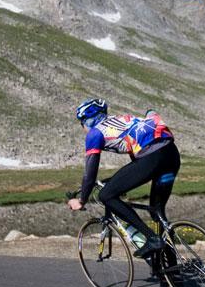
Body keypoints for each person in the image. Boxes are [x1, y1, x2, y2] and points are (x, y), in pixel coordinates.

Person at [67, 98, 180, 261]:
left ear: (88, 120)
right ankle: (171, 267)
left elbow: (90, 173)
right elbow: (135, 168)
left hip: (152, 158)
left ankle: (152, 238)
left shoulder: (95, 133)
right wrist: (112, 181)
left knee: (106, 195)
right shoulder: (123, 120)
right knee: (157, 211)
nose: (82, 127)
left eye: (81, 122)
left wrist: (82, 199)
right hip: (171, 155)